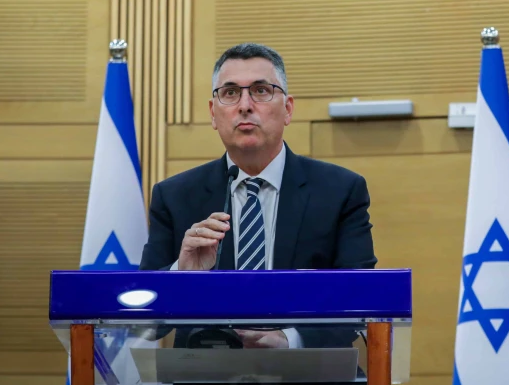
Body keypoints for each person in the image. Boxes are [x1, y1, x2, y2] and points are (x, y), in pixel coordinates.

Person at [139, 42, 377, 355]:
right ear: (213, 113)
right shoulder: (174, 196)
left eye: (261, 91)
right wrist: (181, 275)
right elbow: (145, 321)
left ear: (288, 109)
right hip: (205, 370)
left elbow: (359, 297)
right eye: (230, 93)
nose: (245, 106)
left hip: (308, 371)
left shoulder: (340, 191)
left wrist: (288, 341)